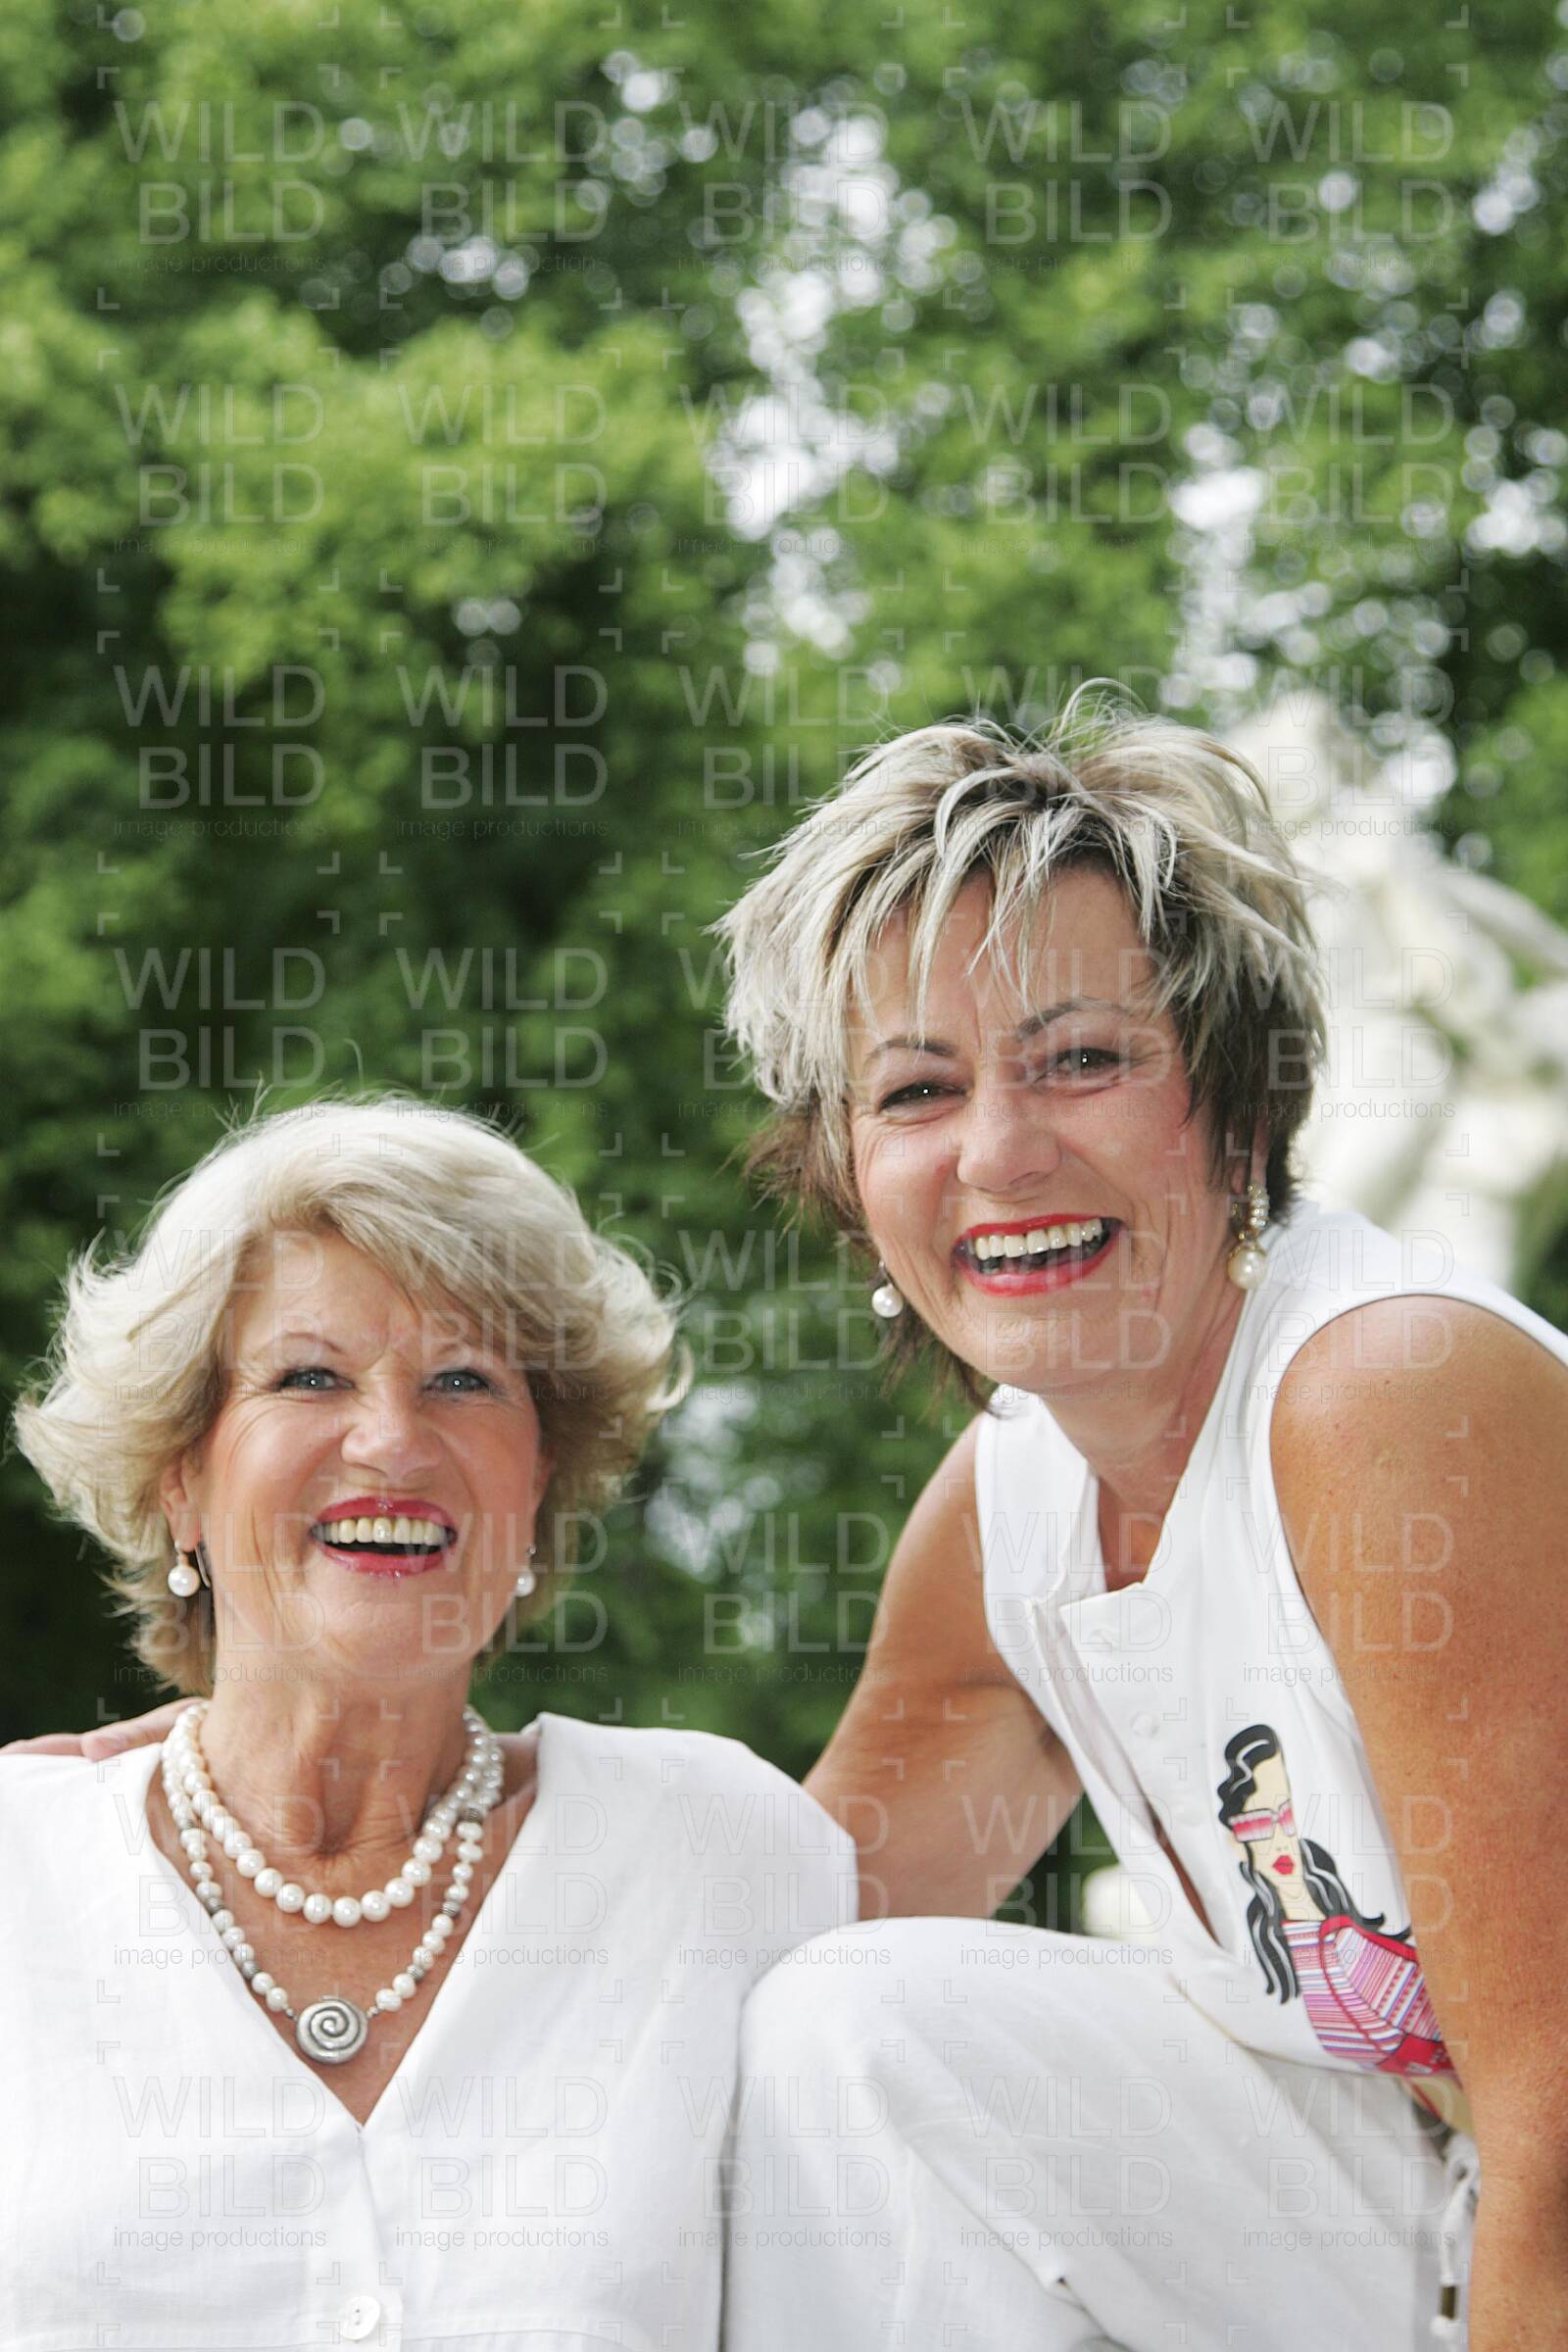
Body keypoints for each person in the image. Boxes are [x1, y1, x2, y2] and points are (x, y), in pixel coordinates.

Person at [708, 695, 1568, 2350]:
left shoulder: (1388, 1398)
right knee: (850, 2028)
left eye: (1084, 1060)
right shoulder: (1012, 1511)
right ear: (845, 1170)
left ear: (1241, 1104)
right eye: (916, 1090)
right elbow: (747, 1945)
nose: (1000, 1153)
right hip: (1422, 2212)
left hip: (1525, 2205)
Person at [0, 1097, 856, 2351]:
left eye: (464, 1381)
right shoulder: (19, 1876)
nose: (393, 1442)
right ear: (179, 1476)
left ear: (540, 1481)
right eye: (308, 1377)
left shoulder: (719, 1852)